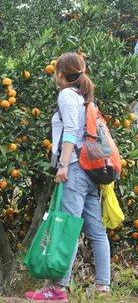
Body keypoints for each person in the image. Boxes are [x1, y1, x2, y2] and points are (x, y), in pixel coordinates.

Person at [25, 53, 111, 301]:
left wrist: (62, 165)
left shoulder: (66, 95)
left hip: (74, 167)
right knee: (96, 230)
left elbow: (71, 132)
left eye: (55, 70)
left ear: (61, 74)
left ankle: (58, 288)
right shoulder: (84, 97)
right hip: (90, 169)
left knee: (68, 227)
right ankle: (103, 287)